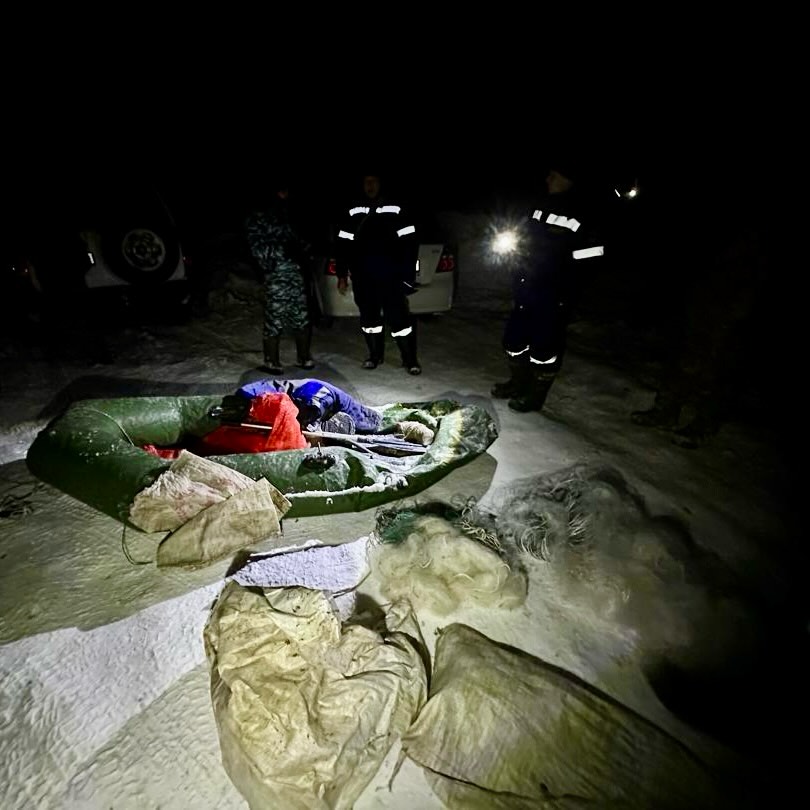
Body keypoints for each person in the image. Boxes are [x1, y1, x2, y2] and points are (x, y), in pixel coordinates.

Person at [491, 160, 605, 412]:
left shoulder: (583, 211)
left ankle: (535, 394)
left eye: (553, 175)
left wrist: (566, 280)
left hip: (554, 292)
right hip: (527, 286)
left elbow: (592, 255)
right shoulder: (541, 204)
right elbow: (524, 236)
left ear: (567, 179)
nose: (548, 180)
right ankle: (518, 382)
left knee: (544, 347)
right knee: (513, 340)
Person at [335, 173, 421, 375]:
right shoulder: (354, 208)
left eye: (373, 181)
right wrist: (341, 274)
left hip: (391, 276)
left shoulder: (396, 207)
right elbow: (342, 244)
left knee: (400, 320)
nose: (370, 185)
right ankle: (374, 356)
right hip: (363, 277)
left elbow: (410, 244)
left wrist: (408, 275)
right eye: (366, 182)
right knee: (369, 319)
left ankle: (410, 359)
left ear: (381, 183)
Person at [245, 176, 316, 374]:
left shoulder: (287, 215)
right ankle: (271, 361)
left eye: (287, 192)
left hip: (296, 274)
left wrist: (306, 250)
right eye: (281, 192)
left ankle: (303, 357)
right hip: (276, 275)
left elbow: (298, 241)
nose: (285, 195)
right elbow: (256, 249)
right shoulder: (259, 217)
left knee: (301, 316)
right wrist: (283, 250)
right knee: (274, 318)